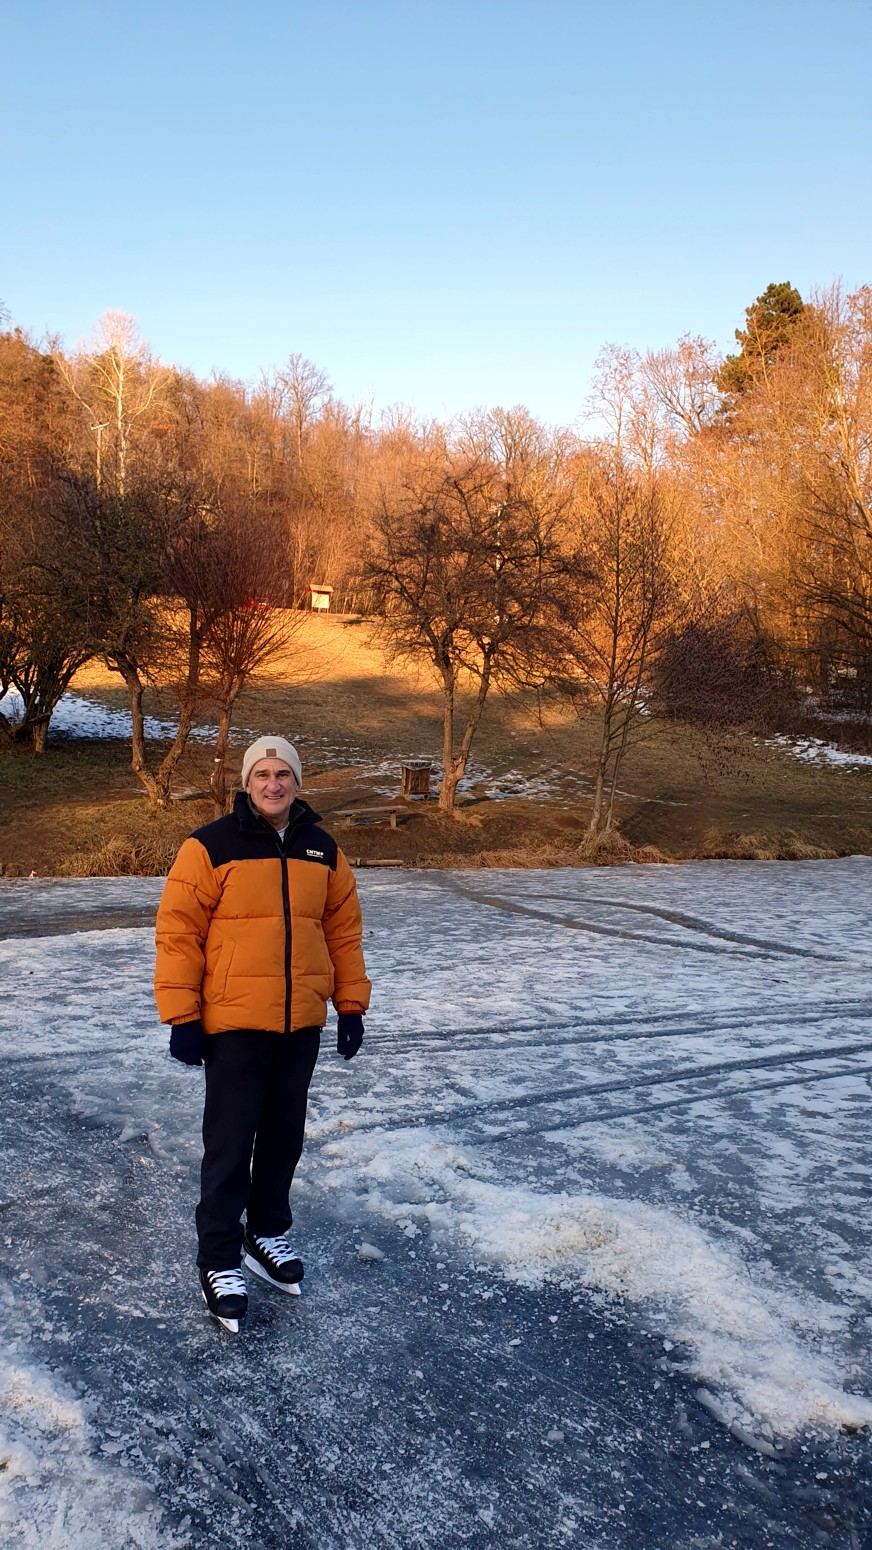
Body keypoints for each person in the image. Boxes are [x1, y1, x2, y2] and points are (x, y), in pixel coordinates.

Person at [154, 735, 371, 1332]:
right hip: (234, 1023)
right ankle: (220, 1258)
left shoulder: (323, 850)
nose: (273, 784)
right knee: (229, 1145)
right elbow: (178, 933)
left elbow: (343, 932)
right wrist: (183, 1016)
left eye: (283, 774)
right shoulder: (209, 846)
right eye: (262, 775)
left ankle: (267, 1233)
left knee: (282, 1138)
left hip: (299, 1022)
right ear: (247, 783)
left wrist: (350, 1006)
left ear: (297, 782)